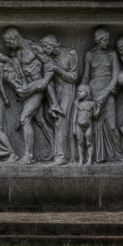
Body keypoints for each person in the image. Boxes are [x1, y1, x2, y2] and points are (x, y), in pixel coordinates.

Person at [0, 27, 54, 164]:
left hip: (38, 86)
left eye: (8, 41)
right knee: (40, 121)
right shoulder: (15, 53)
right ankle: (56, 148)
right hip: (27, 90)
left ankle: (29, 156)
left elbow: (49, 64)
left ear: (15, 38)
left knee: (24, 118)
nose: (7, 45)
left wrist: (45, 82)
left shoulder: (34, 47)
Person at [33, 34, 79, 165]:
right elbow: (48, 79)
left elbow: (74, 77)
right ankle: (64, 155)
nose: (45, 50)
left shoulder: (70, 53)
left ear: (53, 44)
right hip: (56, 92)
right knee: (59, 122)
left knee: (61, 122)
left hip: (68, 90)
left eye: (46, 46)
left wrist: (57, 69)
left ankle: (61, 156)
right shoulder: (49, 59)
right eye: (43, 47)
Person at [81, 27, 123, 163]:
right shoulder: (89, 54)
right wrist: (82, 89)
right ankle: (94, 157)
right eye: (104, 40)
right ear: (98, 40)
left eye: (107, 39)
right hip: (93, 93)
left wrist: (106, 93)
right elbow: (86, 76)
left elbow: (115, 75)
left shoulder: (112, 54)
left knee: (112, 126)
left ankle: (119, 153)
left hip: (108, 92)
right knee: (92, 127)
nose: (107, 42)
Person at [72, 84, 102, 166]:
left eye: (81, 91)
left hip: (88, 126)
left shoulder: (92, 104)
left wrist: (99, 106)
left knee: (89, 143)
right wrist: (74, 128)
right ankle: (81, 160)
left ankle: (90, 161)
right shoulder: (78, 104)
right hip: (79, 127)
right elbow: (75, 116)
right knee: (80, 143)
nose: (78, 93)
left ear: (87, 93)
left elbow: (95, 115)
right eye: (77, 92)